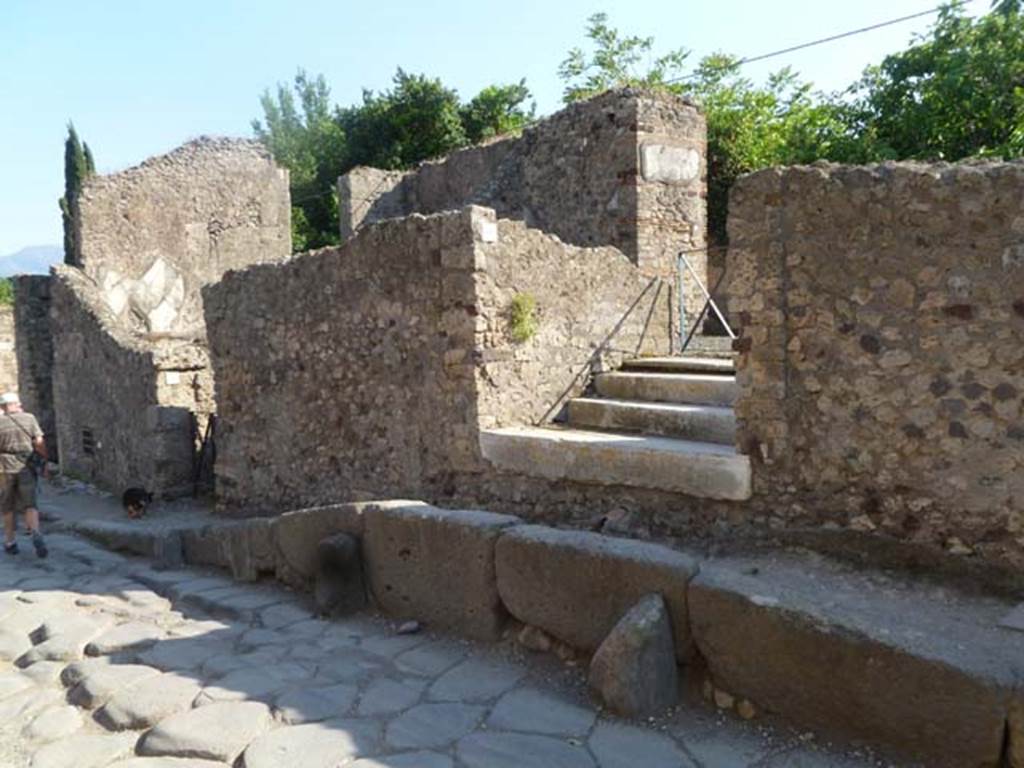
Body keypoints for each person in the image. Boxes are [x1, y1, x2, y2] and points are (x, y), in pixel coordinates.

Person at [0, 392, 47, 558]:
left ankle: (11, 542)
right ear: (14, 405)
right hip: (26, 466)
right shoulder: (29, 418)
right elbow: (39, 443)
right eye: (19, 404)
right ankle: (35, 532)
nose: (21, 406)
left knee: (7, 507)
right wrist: (44, 463)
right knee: (30, 504)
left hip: (5, 469)